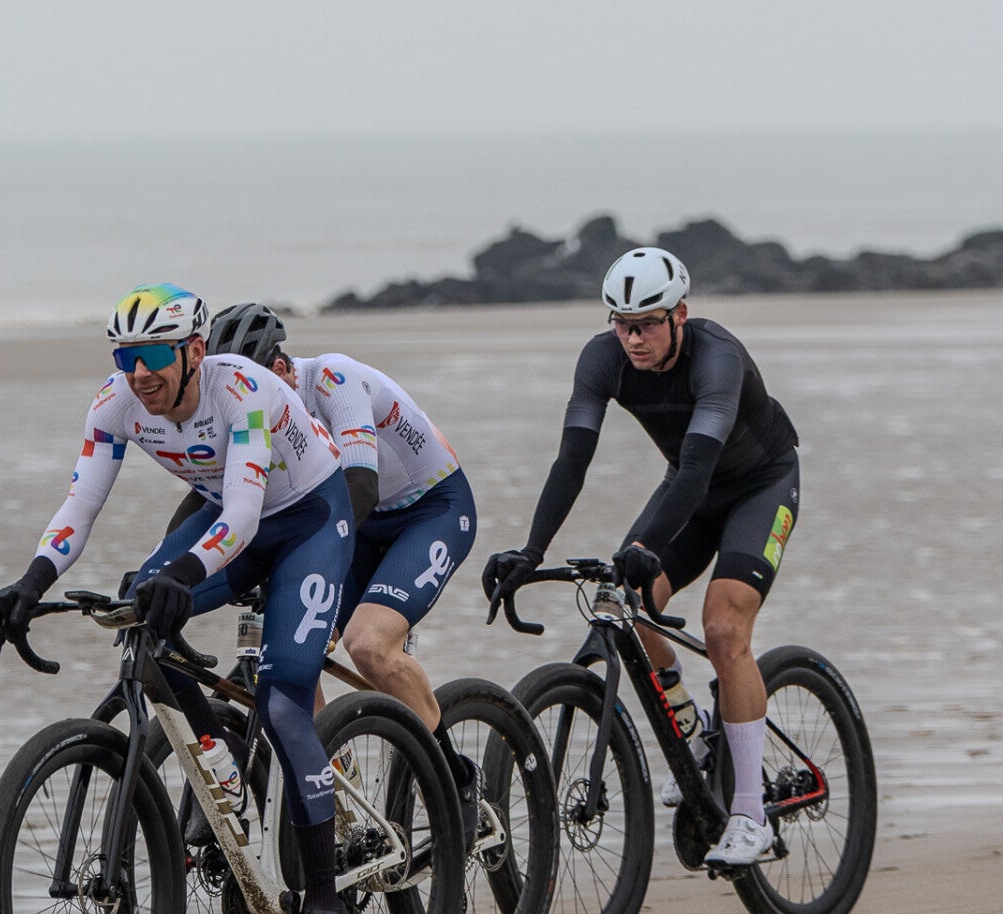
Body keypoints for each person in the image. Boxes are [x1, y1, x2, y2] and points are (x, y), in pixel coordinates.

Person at [0, 284, 358, 914]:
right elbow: (80, 503)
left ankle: (324, 901)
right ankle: (222, 763)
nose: (139, 373)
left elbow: (243, 514)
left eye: (154, 355)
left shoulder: (240, 389)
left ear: (193, 351)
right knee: (141, 608)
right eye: (124, 356)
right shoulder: (115, 403)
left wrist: (182, 573)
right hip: (230, 519)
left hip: (308, 520)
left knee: (283, 699)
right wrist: (29, 582)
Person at [482, 247, 801, 869]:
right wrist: (532, 549)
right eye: (621, 324)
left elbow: (699, 467)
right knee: (625, 601)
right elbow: (573, 459)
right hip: (689, 489)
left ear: (679, 314)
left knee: (723, 627)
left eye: (647, 324)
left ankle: (750, 815)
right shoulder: (602, 358)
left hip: (758, 487)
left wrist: (642, 546)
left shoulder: (718, 357)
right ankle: (693, 733)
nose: (632, 339)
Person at [186, 304, 480, 819]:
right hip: (352, 522)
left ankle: (455, 782)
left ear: (281, 369)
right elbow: (206, 500)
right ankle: (344, 806)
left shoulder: (332, 380)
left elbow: (360, 486)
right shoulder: (249, 408)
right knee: (294, 648)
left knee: (368, 645)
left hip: (429, 509)